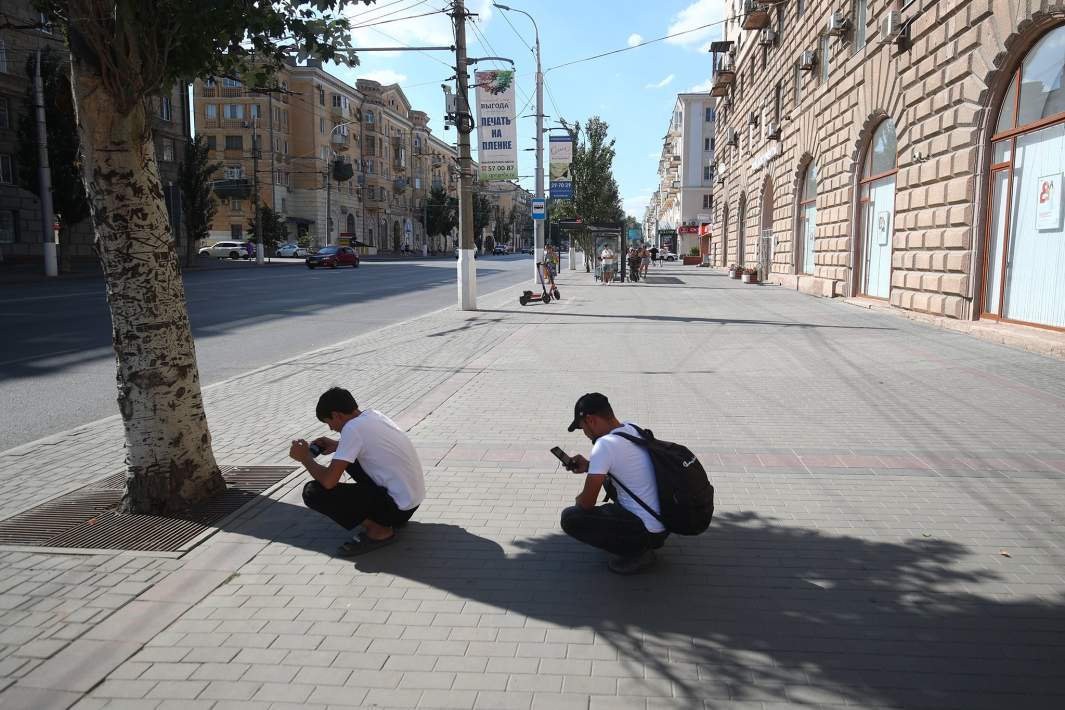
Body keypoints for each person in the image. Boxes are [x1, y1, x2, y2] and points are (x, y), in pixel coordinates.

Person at [289, 387, 425, 557]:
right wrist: (338, 446)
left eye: (328, 422)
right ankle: (383, 518)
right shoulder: (373, 415)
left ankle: (379, 530)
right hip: (411, 503)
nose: (331, 428)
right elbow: (369, 446)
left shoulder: (352, 429)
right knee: (349, 459)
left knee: (313, 491)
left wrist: (305, 459)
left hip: (396, 510)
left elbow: (328, 482)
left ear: (337, 414)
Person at [559, 393, 668, 574]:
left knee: (571, 517)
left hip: (646, 532)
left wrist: (578, 500)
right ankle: (638, 542)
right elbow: (624, 465)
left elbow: (586, 503)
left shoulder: (604, 445)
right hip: (663, 522)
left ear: (591, 420)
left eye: (583, 427)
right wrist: (589, 466)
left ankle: (637, 553)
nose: (585, 434)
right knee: (609, 484)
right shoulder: (630, 428)